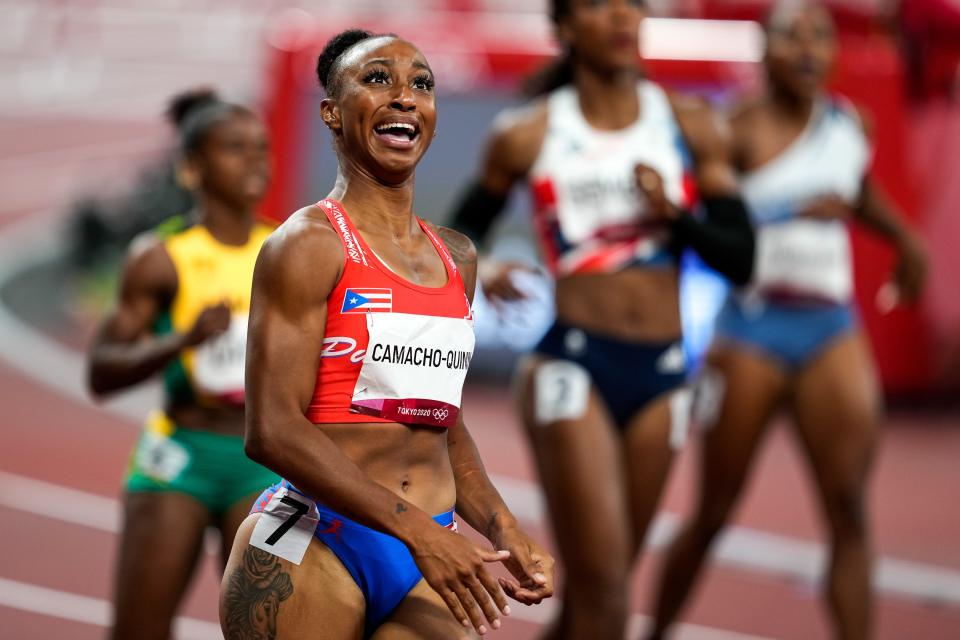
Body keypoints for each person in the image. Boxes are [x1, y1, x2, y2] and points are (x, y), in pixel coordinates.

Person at [218, 29, 554, 640]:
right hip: (317, 540)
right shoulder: (308, 244)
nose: (404, 97)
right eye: (378, 79)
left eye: (420, 84)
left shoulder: (458, 257)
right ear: (332, 113)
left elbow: (440, 419)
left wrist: (503, 527)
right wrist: (419, 531)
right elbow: (271, 430)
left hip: (429, 548)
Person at [449, 1, 755, 638]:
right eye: (599, 4)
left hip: (665, 372)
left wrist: (676, 214)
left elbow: (742, 257)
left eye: (633, 4)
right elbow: (454, 234)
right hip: (573, 365)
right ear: (563, 29)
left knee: (596, 595)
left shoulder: (690, 123)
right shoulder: (528, 132)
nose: (621, 17)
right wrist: (491, 265)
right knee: (608, 596)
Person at [646, 3, 928, 639]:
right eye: (791, 36)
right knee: (714, 511)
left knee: (850, 512)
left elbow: (854, 191)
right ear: (763, 52)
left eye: (819, 37)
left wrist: (905, 239)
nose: (807, 49)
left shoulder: (850, 122)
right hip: (751, 331)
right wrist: (789, 210)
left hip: (831, 328)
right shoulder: (734, 129)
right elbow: (707, 231)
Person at [87, 91, 278, 640]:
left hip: (261, 459)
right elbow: (102, 371)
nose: (255, 162)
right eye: (235, 149)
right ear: (192, 168)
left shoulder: (286, 250)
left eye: (261, 149)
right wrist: (183, 341)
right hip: (180, 457)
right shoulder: (160, 256)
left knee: (265, 632)